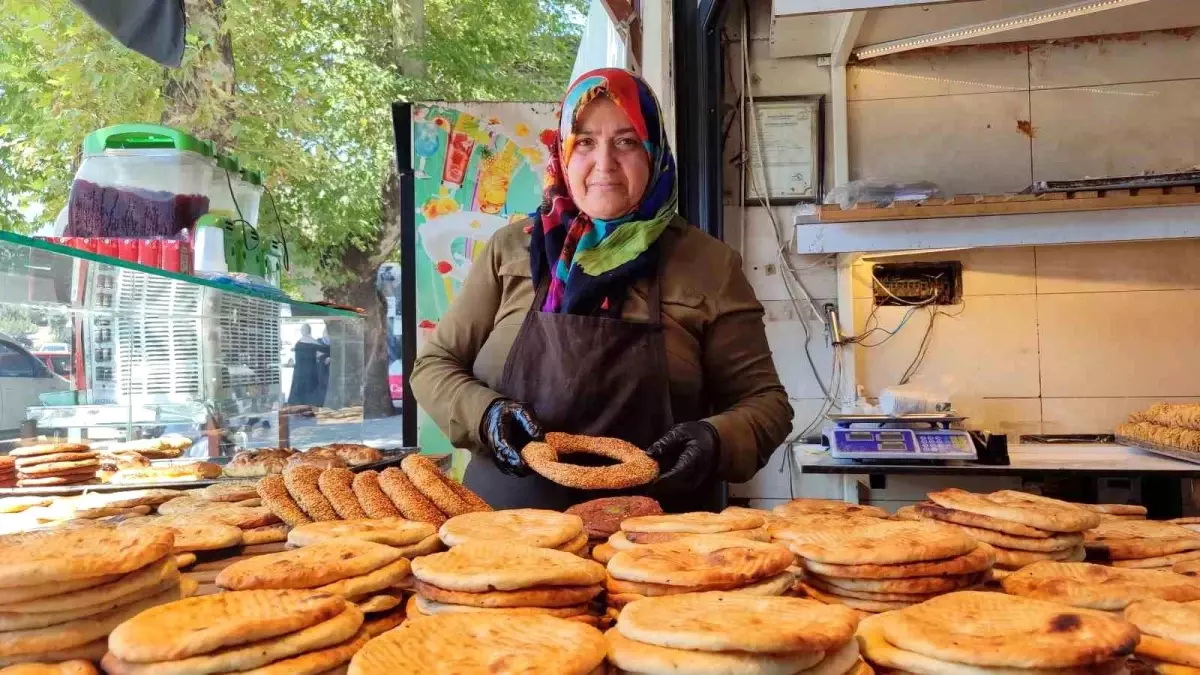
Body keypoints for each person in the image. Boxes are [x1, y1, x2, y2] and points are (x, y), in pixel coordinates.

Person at [411, 68, 792, 511]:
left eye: (627, 141)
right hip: (507, 534)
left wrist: (715, 439)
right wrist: (485, 415)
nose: (604, 163)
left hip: (659, 542)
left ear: (654, 153)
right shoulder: (512, 250)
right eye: (586, 142)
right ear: (563, 154)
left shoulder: (708, 265)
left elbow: (767, 404)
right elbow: (435, 365)